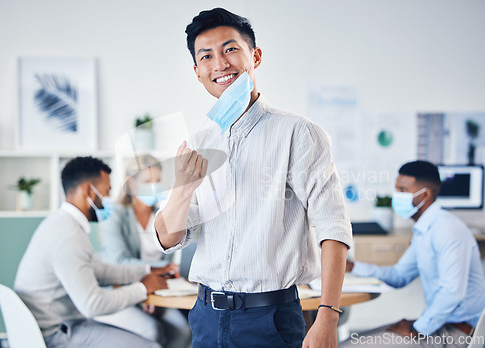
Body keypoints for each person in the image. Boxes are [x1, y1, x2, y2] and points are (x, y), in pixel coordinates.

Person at [152, 8, 353, 348]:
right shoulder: (200, 141)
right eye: (207, 56)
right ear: (198, 71)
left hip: (270, 318)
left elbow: (333, 228)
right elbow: (168, 238)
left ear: (255, 56)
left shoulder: (298, 133)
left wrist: (328, 316)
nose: (220, 63)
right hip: (205, 315)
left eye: (230, 49)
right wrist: (183, 189)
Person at [14, 156, 175, 348]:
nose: (108, 200)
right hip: (56, 333)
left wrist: (147, 271)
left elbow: (99, 271)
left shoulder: (62, 224)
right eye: (106, 192)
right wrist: (142, 288)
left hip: (59, 323)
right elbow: (93, 305)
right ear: (89, 192)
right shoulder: (68, 236)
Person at [340, 160, 485, 347]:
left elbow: (452, 293)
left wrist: (417, 329)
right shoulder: (425, 230)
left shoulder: (447, 229)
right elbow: (399, 276)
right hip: (438, 326)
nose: (396, 196)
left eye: (402, 190)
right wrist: (353, 267)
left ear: (425, 195)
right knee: (348, 341)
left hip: (458, 333)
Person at [99, 154, 191, 348]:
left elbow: (179, 251)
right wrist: (163, 268)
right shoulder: (114, 214)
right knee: (153, 331)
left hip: (159, 289)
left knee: (183, 330)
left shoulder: (163, 213)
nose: (154, 186)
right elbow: (117, 262)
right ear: (131, 183)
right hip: (121, 290)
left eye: (157, 180)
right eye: (147, 181)